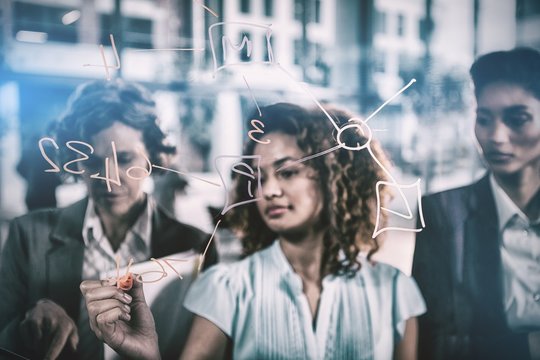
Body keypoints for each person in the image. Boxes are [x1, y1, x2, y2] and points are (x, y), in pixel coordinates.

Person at [81, 102, 426, 359]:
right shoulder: (227, 287)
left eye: (287, 172)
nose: (268, 190)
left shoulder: (395, 292)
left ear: (334, 178)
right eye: (260, 177)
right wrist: (146, 354)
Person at [0, 79, 217, 360]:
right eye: (92, 162)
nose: (108, 177)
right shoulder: (28, 235)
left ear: (151, 155)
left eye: (124, 158)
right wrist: (27, 325)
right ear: (74, 162)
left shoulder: (196, 246)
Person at [412, 47, 540, 359]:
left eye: (517, 119)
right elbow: (437, 336)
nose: (496, 136)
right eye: (484, 119)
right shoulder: (442, 213)